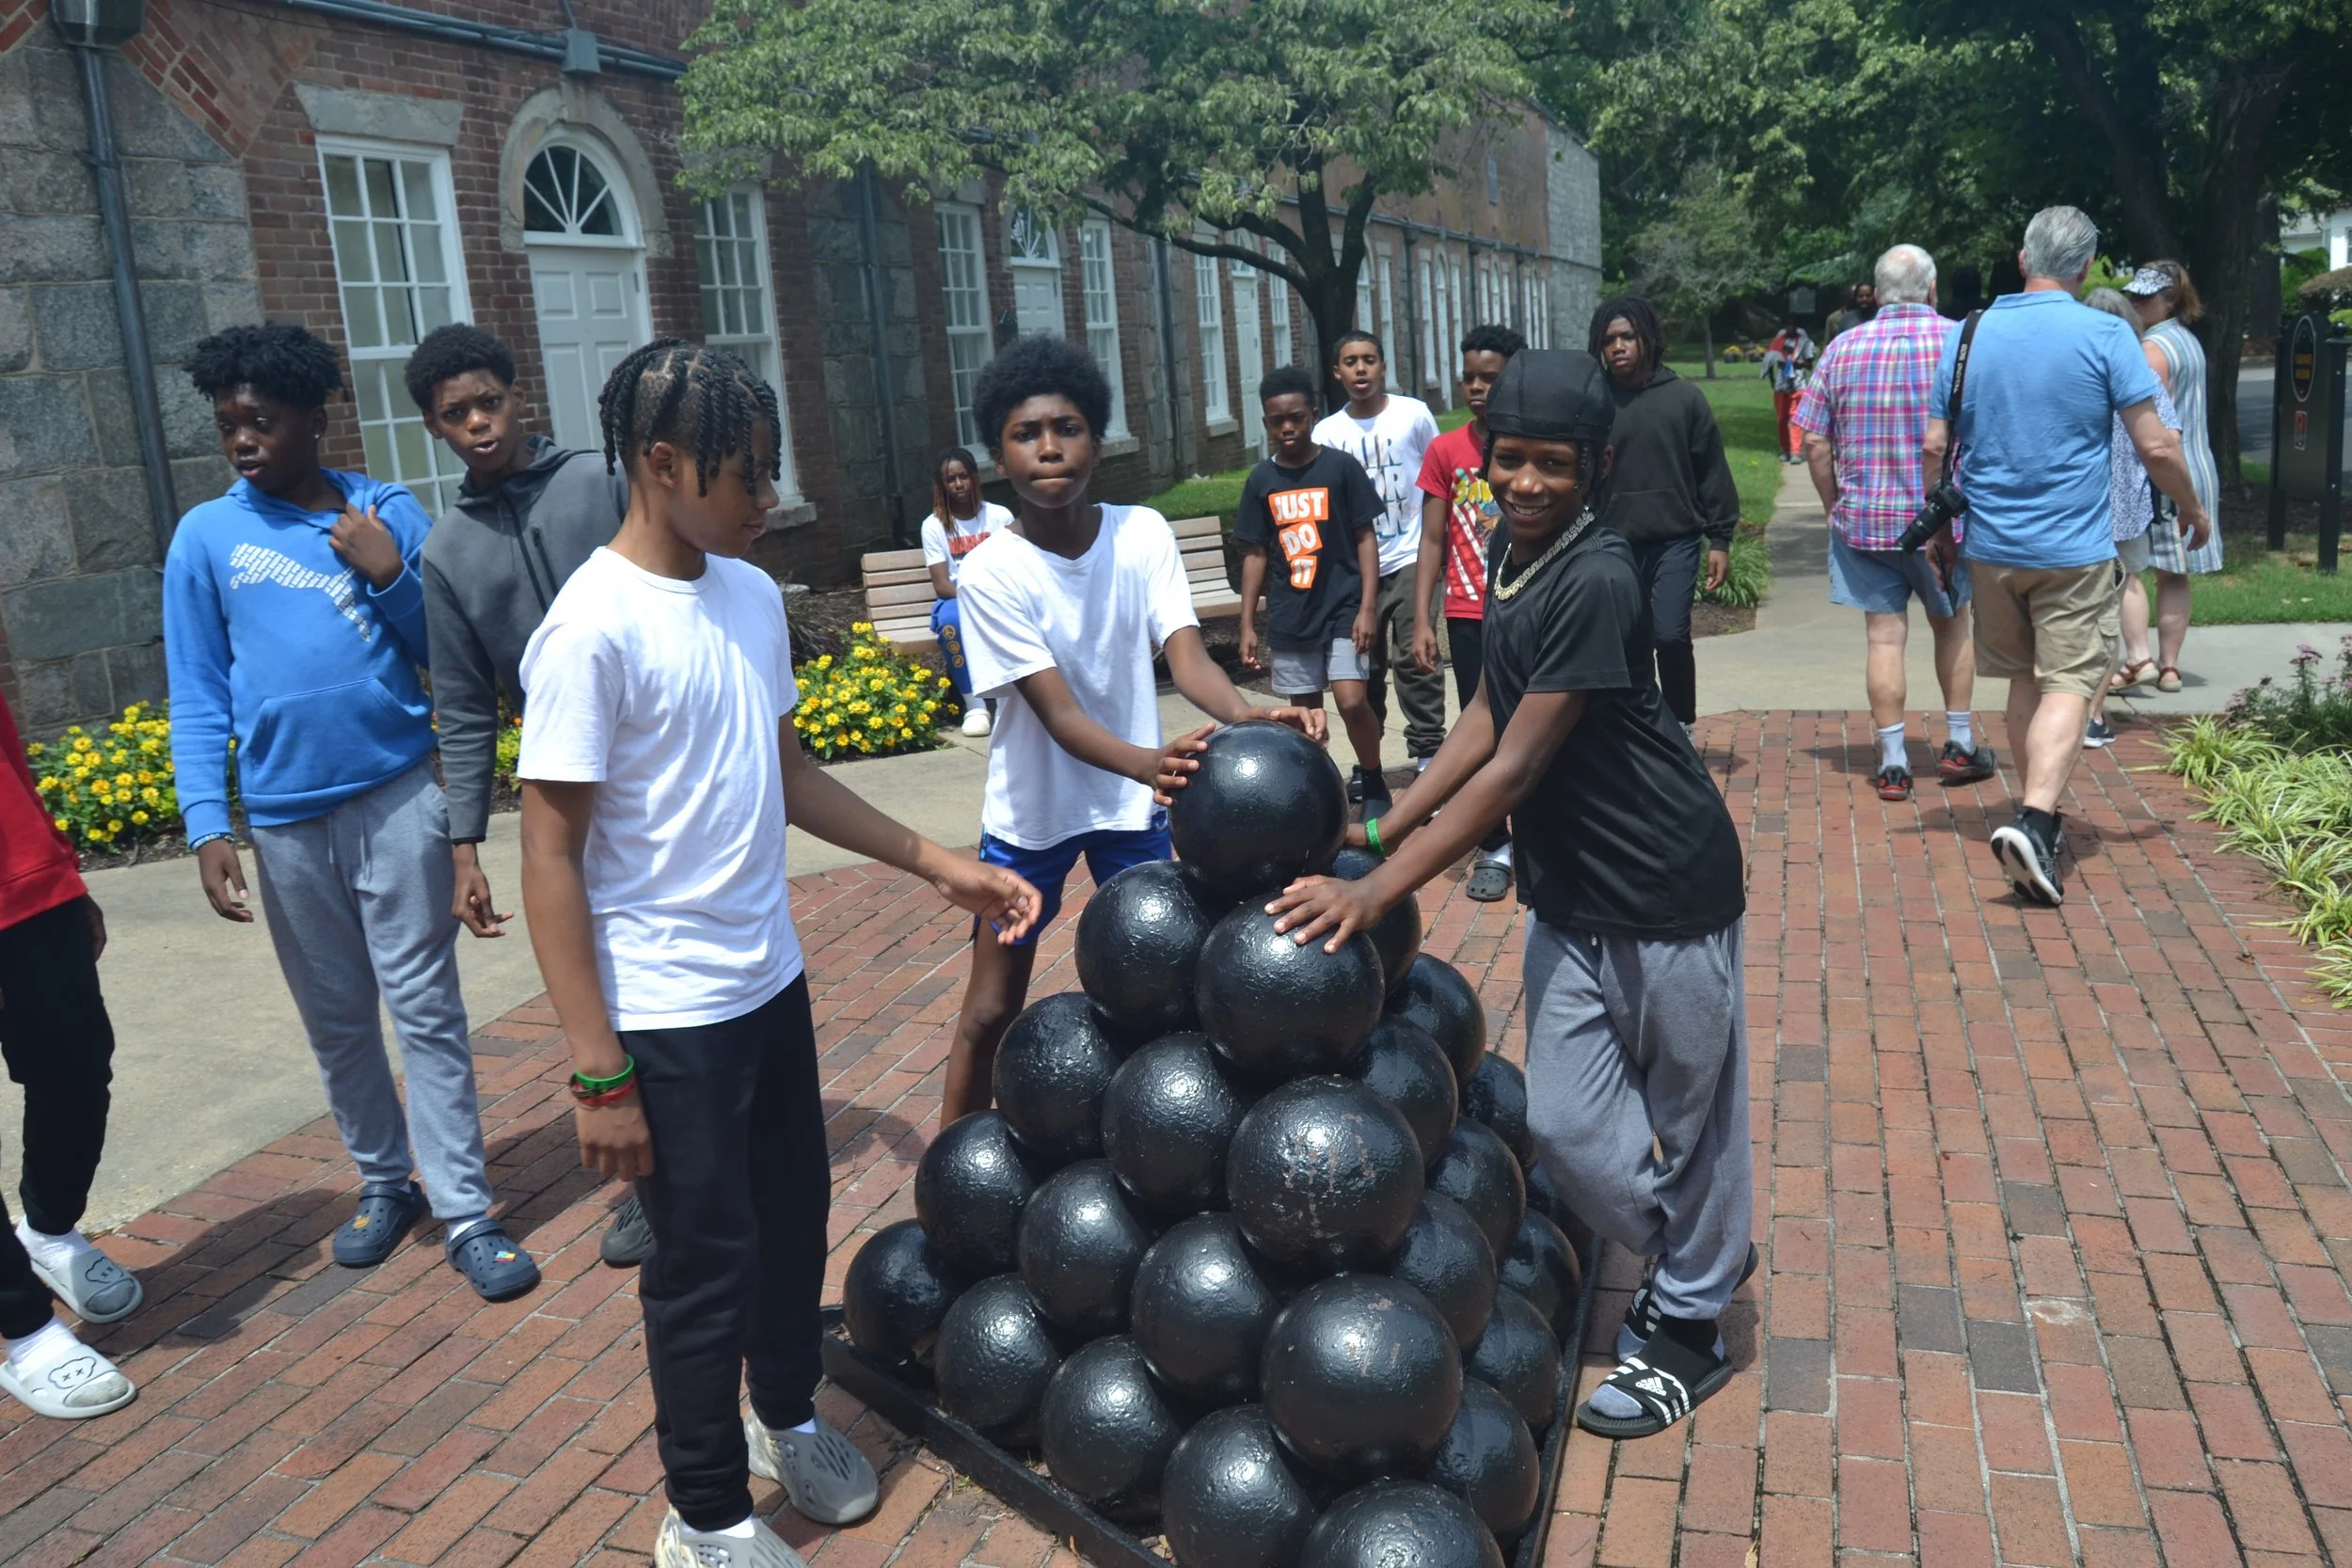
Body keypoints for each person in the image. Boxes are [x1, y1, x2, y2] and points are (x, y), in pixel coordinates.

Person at [516, 340, 1041, 1568]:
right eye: (745, 476)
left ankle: (787, 1413)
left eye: (770, 473)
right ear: (659, 463)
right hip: (665, 1012)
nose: (767, 500)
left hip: (767, 979)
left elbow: (786, 770)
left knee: (794, 1224)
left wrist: (934, 860)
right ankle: (703, 1515)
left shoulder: (747, 593)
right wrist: (596, 1066)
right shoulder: (590, 628)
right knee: (703, 1266)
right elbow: (547, 855)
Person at [1267, 349, 1752, 1442]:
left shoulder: (1601, 574)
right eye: (1509, 462)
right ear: (1481, 461)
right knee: (1570, 1128)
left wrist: (1380, 886)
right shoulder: (1510, 549)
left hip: (1666, 884)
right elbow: (1487, 709)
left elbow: (1516, 770)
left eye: (1553, 465)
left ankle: (1692, 1326)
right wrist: (1382, 821)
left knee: (1693, 1118)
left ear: (1597, 464)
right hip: (1573, 889)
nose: (1525, 483)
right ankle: (1705, 1256)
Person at [167, 324, 539, 1302]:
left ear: (314, 420)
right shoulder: (206, 537)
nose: (244, 439)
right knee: (336, 1017)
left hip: (396, 798)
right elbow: (198, 687)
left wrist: (386, 569)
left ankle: (466, 1209)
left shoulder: (385, 511)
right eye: (229, 424)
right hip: (285, 820)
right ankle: (385, 1181)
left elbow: (445, 654)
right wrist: (208, 818)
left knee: (424, 1008)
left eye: (263, 420)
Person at [406, 322, 652, 1271]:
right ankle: (648, 1184)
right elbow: (463, 709)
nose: (477, 423)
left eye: (487, 402)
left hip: (662, 761)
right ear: (434, 429)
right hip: (570, 792)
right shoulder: (447, 551)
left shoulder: (603, 480)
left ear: (518, 395)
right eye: (454, 414)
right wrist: (464, 846)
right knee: (606, 980)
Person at [1919, 207, 2210, 905]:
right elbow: (2157, 445)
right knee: (2073, 682)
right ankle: (2038, 817)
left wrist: (1939, 532)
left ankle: (2034, 817)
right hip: (2073, 549)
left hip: (1989, 546)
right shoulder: (2106, 332)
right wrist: (2192, 508)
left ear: (2024, 260)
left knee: (2024, 679)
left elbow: (1935, 444)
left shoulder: (1970, 333)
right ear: (2085, 270)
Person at [1792, 243, 1997, 801]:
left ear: (1878, 292)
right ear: (1931, 290)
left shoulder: (1842, 348)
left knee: (1883, 637)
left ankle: (1893, 758)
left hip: (1866, 523)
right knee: (1953, 624)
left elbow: (1813, 442)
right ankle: (1957, 743)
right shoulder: (1962, 345)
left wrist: (1834, 505)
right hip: (1944, 526)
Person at [0, 689, 139, 1421]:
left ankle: (47, 1229)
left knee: (79, 1067)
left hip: (24, 884)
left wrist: (59, 867)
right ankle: (24, 1330)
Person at [1588, 295, 1740, 731]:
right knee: (1622, 643)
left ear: (1648, 339)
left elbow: (1711, 471)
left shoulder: (1684, 399)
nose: (1618, 347)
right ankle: (1635, 727)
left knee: (1669, 634)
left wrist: (1721, 539)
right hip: (1613, 541)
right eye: (1609, 339)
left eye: (1627, 337)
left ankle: (1681, 725)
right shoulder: (1596, 402)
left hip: (1675, 539)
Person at [1235, 365, 1387, 804]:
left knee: (1352, 700)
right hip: (1291, 611)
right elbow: (1256, 554)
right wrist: (1248, 623)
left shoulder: (1340, 468)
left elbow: (1365, 538)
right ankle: (1320, 791)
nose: (1287, 428)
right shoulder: (1262, 480)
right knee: (1303, 715)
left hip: (1343, 606)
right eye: (1277, 420)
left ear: (1313, 415)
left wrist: (1367, 608)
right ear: (1265, 423)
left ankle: (1373, 778)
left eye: (1296, 417)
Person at [1411, 324, 1525, 900]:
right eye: (1469, 378)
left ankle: (1541, 836)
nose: (1477, 388)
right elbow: (1431, 541)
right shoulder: (1446, 451)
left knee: (1533, 726)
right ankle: (1494, 845)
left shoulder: (1528, 447)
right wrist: (1422, 618)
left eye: (1491, 378)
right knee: (1482, 730)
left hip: (1528, 605)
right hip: (1468, 609)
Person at [1312, 331, 1446, 790]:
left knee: (1416, 659)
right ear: (1337, 372)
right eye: (1350, 362)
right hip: (1355, 570)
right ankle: (1368, 764)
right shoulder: (1327, 433)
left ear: (1383, 365)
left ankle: (1429, 754)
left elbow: (1438, 478)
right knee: (1362, 671)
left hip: (1411, 554)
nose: (1361, 369)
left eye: (1369, 359)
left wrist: (1437, 542)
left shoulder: (1413, 415)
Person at [2079, 288, 2184, 748]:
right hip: (2127, 507)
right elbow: (2168, 439)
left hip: (2076, 509)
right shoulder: (2139, 373)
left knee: (2079, 613)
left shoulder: (2073, 371)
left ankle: (2085, 705)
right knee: (2125, 587)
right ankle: (2130, 668)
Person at [2122, 261, 2224, 692]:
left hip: (2166, 473)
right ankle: (2170, 667)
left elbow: (2156, 429)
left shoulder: (2150, 349)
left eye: (2147, 297)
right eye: (2135, 295)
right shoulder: (2189, 342)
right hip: (2199, 465)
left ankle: (2140, 659)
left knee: (2130, 569)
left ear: (2171, 300)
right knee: (2175, 573)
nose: (2136, 303)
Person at [919, 447, 1014, 737]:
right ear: (942, 485)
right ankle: (975, 705)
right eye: (951, 479)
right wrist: (976, 598)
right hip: (956, 599)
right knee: (951, 624)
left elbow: (1014, 568)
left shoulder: (999, 517)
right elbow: (942, 585)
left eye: (963, 477)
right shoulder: (934, 526)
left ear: (974, 478)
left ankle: (1006, 699)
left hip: (999, 596)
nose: (958, 484)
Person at [1761, 323, 1805, 464]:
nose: (1791, 329)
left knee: (1795, 419)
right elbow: (1769, 363)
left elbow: (1810, 362)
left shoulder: (1804, 341)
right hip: (1781, 387)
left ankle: (1796, 452)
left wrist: (1798, 362)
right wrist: (1773, 382)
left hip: (1798, 385)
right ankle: (1785, 449)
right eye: (1788, 326)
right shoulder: (1778, 341)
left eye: (1794, 326)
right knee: (1781, 419)